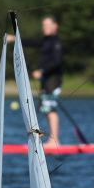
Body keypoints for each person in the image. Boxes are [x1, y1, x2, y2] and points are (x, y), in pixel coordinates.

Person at [6, 15, 63, 147]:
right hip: (46, 80)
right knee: (46, 109)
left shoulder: (56, 42)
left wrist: (42, 71)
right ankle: (51, 140)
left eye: (48, 25)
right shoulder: (46, 41)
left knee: (50, 109)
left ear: (55, 27)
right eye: (44, 25)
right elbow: (32, 42)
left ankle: (55, 141)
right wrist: (14, 38)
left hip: (53, 80)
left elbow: (57, 61)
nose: (45, 28)